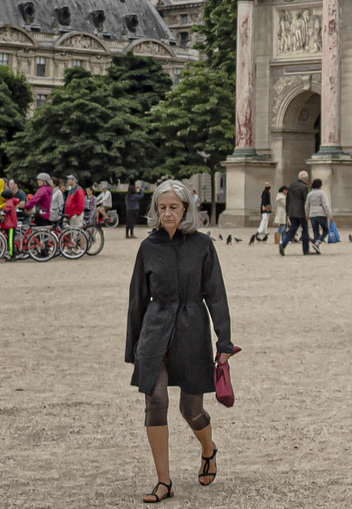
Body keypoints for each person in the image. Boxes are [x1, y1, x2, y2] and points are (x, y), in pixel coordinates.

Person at [127, 179, 233, 500]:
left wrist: (224, 343)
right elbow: (137, 298)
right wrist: (134, 349)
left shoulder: (203, 245)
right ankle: (164, 482)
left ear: (186, 208)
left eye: (174, 207)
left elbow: (216, 295)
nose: (168, 213)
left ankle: (208, 448)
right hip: (155, 330)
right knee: (155, 402)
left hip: (192, 328)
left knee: (191, 409)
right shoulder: (148, 247)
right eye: (162, 208)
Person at [279, 171, 311, 256]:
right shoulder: (304, 187)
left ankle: (283, 244)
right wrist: (307, 213)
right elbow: (306, 202)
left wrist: (287, 211)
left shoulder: (292, 185)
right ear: (306, 179)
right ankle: (306, 250)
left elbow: (288, 199)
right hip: (301, 212)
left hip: (292, 211)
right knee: (305, 230)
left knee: (293, 229)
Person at [303, 178, 330, 252]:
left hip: (312, 214)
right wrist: (329, 214)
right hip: (321, 213)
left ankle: (316, 248)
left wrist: (307, 214)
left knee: (315, 231)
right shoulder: (322, 193)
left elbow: (306, 205)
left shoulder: (310, 194)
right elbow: (325, 204)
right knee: (325, 230)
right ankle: (318, 243)